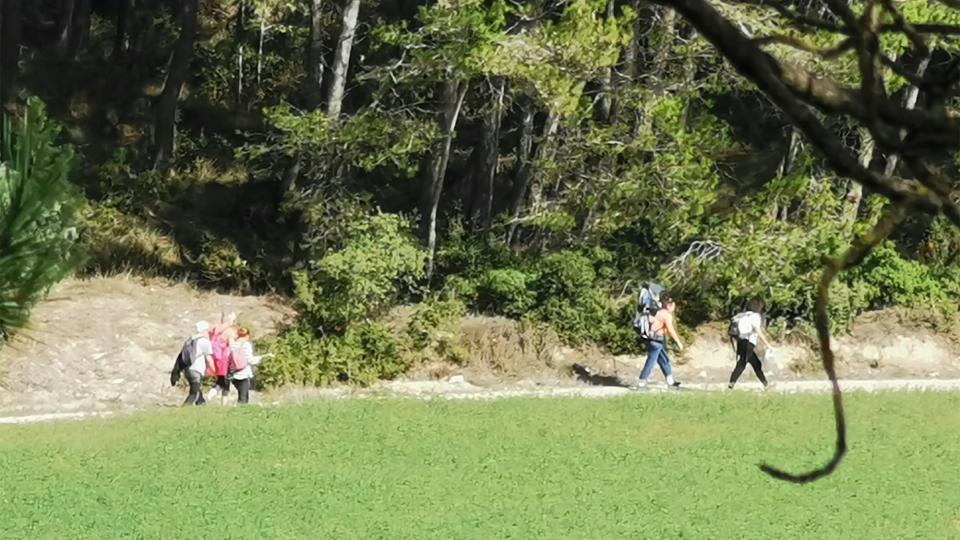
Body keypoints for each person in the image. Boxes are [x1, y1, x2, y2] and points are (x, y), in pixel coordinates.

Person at [637, 295, 683, 388]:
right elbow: (670, 329)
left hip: (652, 339)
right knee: (652, 360)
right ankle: (642, 381)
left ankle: (670, 380)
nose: (674, 308)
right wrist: (678, 342)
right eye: (673, 306)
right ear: (669, 306)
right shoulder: (667, 315)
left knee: (664, 359)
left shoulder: (658, 311)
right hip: (657, 340)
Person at [728, 298, 773, 389]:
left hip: (741, 342)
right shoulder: (755, 316)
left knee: (756, 364)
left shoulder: (742, 315)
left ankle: (765, 384)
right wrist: (767, 344)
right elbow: (758, 331)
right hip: (748, 343)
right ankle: (731, 384)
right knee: (742, 364)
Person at [208, 311, 239, 404]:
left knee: (222, 381)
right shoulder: (229, 331)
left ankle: (221, 403)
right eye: (234, 318)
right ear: (230, 319)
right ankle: (211, 396)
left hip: (216, 358)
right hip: (225, 360)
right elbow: (232, 346)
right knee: (224, 382)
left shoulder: (217, 328)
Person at [228, 327, 264, 405]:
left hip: (234, 373)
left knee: (240, 394)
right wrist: (259, 358)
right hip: (244, 373)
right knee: (243, 397)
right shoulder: (246, 345)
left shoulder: (233, 345)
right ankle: (241, 412)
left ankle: (239, 411)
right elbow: (250, 360)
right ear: (247, 335)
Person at [184, 321, 214, 406]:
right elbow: (209, 358)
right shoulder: (204, 341)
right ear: (204, 330)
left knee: (197, 388)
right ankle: (184, 408)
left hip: (187, 368)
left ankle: (201, 403)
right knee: (194, 392)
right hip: (196, 369)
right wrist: (215, 370)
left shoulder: (190, 340)